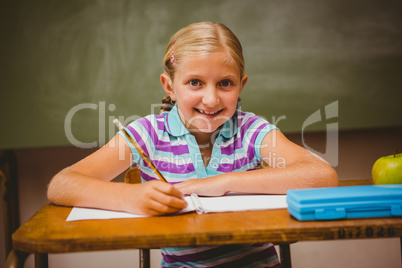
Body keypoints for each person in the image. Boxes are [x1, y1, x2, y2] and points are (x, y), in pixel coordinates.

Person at [48, 22, 338, 267]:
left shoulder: (251, 130)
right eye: (195, 82)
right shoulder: (147, 134)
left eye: (225, 84)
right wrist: (131, 198)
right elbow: (62, 184)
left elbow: (322, 175)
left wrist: (222, 182)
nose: (211, 99)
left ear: (242, 85)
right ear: (169, 86)